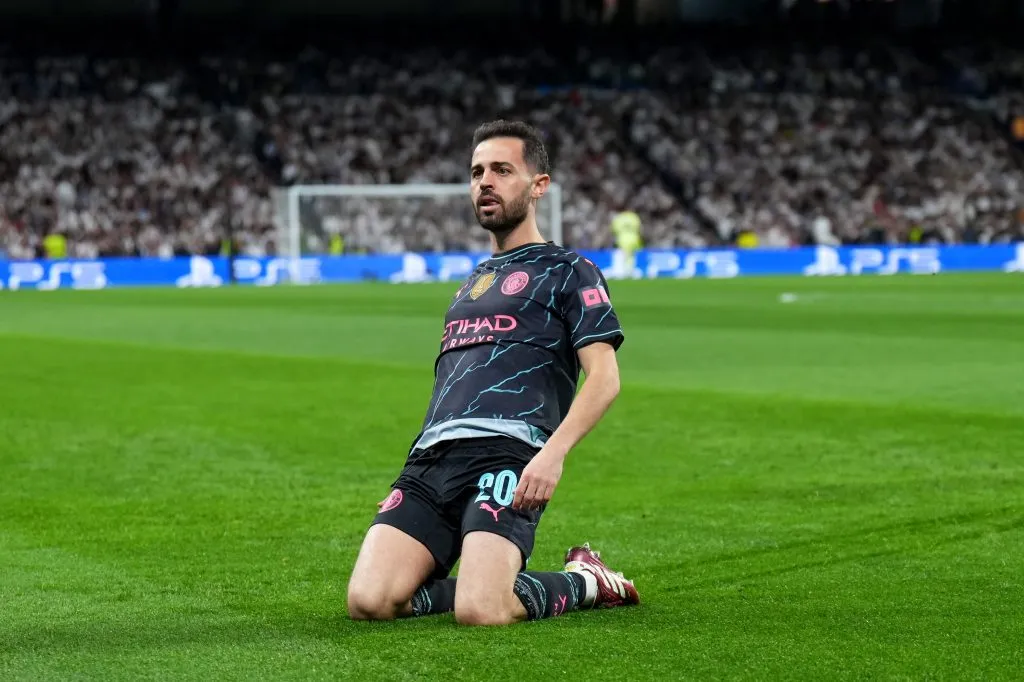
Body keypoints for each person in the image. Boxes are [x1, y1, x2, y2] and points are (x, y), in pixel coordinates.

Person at [346, 119, 640, 626]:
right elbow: (454, 383)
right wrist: (412, 464)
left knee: (482, 611)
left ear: (538, 185)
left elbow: (605, 378)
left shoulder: (570, 271)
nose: (485, 181)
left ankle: (587, 580)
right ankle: (480, 581)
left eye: (502, 170)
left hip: (508, 453)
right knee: (369, 602)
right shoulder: (472, 282)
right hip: (431, 461)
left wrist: (552, 455)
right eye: (477, 171)